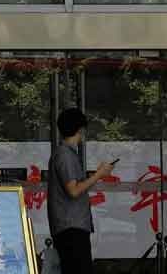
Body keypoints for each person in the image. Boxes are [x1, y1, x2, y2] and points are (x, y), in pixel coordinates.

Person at [47, 108, 114, 274]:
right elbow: (74, 190)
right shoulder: (65, 155)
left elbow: (74, 185)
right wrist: (99, 175)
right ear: (80, 129)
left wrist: (93, 175)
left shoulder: (64, 154)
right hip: (71, 227)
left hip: (69, 226)